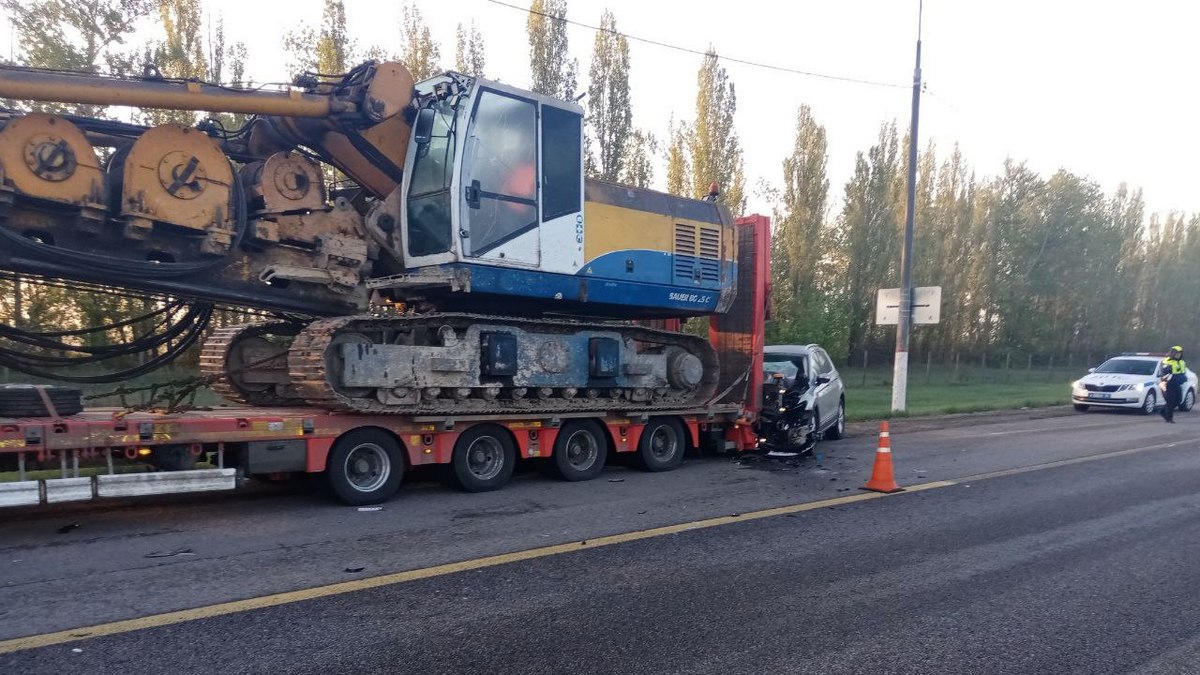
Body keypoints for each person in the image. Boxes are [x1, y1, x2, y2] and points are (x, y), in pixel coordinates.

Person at [1159, 346, 1187, 423]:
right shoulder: (1166, 361)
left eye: (1180, 353)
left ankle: (1163, 411)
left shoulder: (1182, 362)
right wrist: (1168, 372)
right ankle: (1169, 418)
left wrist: (1183, 378)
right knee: (1170, 401)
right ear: (1173, 353)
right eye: (1177, 353)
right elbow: (1164, 373)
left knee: (1178, 400)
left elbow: (1182, 372)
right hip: (1167, 384)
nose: (1178, 355)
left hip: (1177, 384)